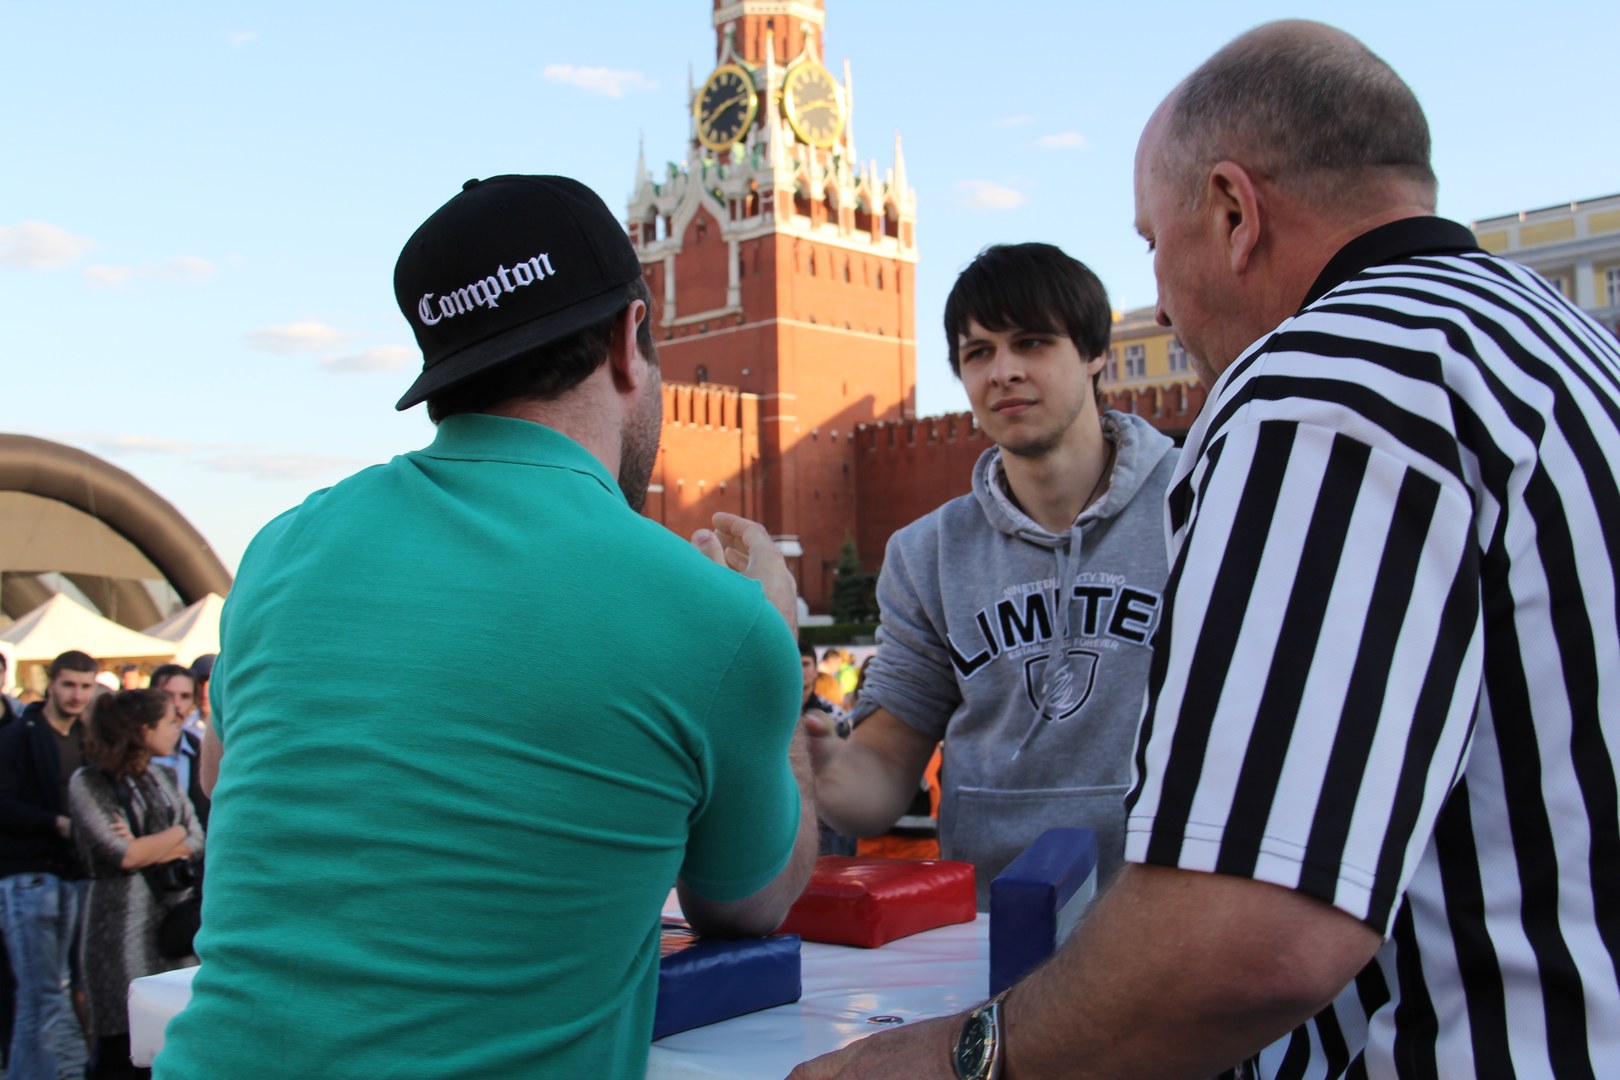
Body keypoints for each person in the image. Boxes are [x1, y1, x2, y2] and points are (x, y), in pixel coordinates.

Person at [791, 19, 1620, 1079]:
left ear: (1233, 211)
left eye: (1151, 243)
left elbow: (1256, 935)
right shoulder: (1556, 347)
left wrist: (960, 1060)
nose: (1165, 298)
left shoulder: (1327, 387)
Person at [155, 174, 818, 1080]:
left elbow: (225, 782)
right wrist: (773, 645)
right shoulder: (712, 615)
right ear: (631, 340)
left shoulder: (282, 549)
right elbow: (750, 905)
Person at [805, 242, 1178, 907]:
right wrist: (827, 770)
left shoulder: (1198, 506)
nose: (1003, 371)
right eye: (978, 353)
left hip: (1166, 923)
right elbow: (886, 766)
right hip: (990, 925)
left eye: (1031, 343)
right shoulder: (929, 554)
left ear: (1095, 353)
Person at [68, 689, 202, 1079]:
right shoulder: (89, 781)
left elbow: (196, 837)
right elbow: (121, 854)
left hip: (172, 924)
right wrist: (172, 840)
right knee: (122, 1042)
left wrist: (151, 842)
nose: (177, 727)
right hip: (117, 927)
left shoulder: (163, 775)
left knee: (172, 1028)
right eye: (170, 721)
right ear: (144, 730)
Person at [0, 650, 95, 1080]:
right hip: (29, 876)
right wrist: (53, 822)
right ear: (51, 683)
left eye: (85, 686)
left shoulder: (87, 739)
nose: (77, 695)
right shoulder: (19, 735)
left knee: (70, 992)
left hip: (73, 875)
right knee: (39, 996)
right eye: (69, 684)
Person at [144, 665, 209, 829]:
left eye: (185, 696)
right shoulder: (129, 750)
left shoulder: (199, 748)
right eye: (167, 695)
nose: (176, 704)